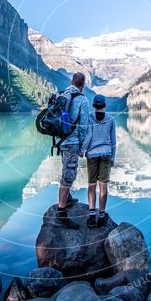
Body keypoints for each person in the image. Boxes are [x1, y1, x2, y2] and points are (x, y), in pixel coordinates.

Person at [55, 72, 91, 229]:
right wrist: (82, 146)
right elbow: (83, 126)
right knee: (69, 175)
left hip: (60, 140)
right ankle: (61, 213)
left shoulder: (61, 95)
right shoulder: (82, 99)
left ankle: (67, 198)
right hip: (72, 142)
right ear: (82, 85)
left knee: (65, 168)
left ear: (71, 82)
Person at [81, 94, 116, 228]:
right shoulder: (111, 119)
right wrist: (113, 158)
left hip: (92, 154)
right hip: (106, 153)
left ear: (93, 106)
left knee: (91, 185)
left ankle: (91, 216)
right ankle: (101, 215)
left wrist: (83, 150)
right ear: (105, 106)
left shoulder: (89, 118)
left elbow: (88, 136)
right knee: (103, 185)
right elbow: (113, 142)